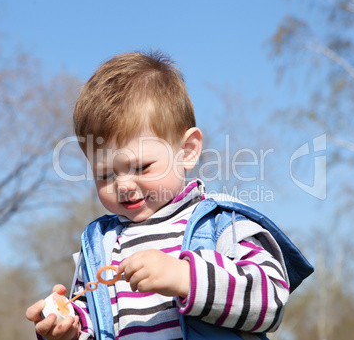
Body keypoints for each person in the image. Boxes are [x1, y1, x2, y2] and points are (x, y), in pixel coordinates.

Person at [26, 51, 306, 340]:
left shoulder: (221, 225)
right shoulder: (102, 245)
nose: (123, 185)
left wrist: (184, 278)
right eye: (105, 174)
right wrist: (70, 328)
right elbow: (96, 321)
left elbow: (271, 301)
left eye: (142, 166)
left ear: (186, 151)